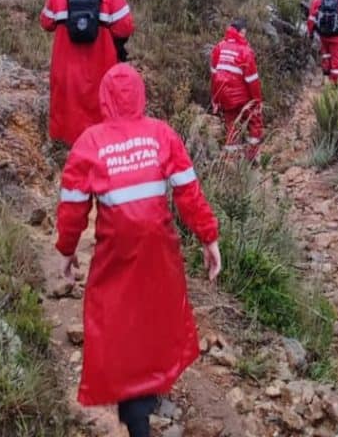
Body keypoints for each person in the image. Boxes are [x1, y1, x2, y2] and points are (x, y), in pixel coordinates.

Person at [56, 63, 221, 437]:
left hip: (115, 252)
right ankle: (144, 396)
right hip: (159, 248)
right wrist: (208, 239)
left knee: (114, 320)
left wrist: (67, 251)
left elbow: (72, 206)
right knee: (155, 316)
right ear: (141, 96)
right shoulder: (161, 134)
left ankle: (135, 407)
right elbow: (188, 194)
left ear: (103, 100)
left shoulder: (90, 142)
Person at [40, 0, 135, 145]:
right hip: (100, 67)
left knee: (66, 107)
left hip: (65, 68)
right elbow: (125, 29)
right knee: (99, 108)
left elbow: (46, 23)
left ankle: (65, 150)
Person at [210, 18, 264, 160]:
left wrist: (215, 99)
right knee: (254, 120)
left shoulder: (219, 47)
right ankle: (252, 156)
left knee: (231, 125)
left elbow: (214, 75)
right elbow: (252, 80)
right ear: (242, 32)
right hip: (241, 97)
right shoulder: (245, 51)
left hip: (223, 94)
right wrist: (257, 101)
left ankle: (231, 160)